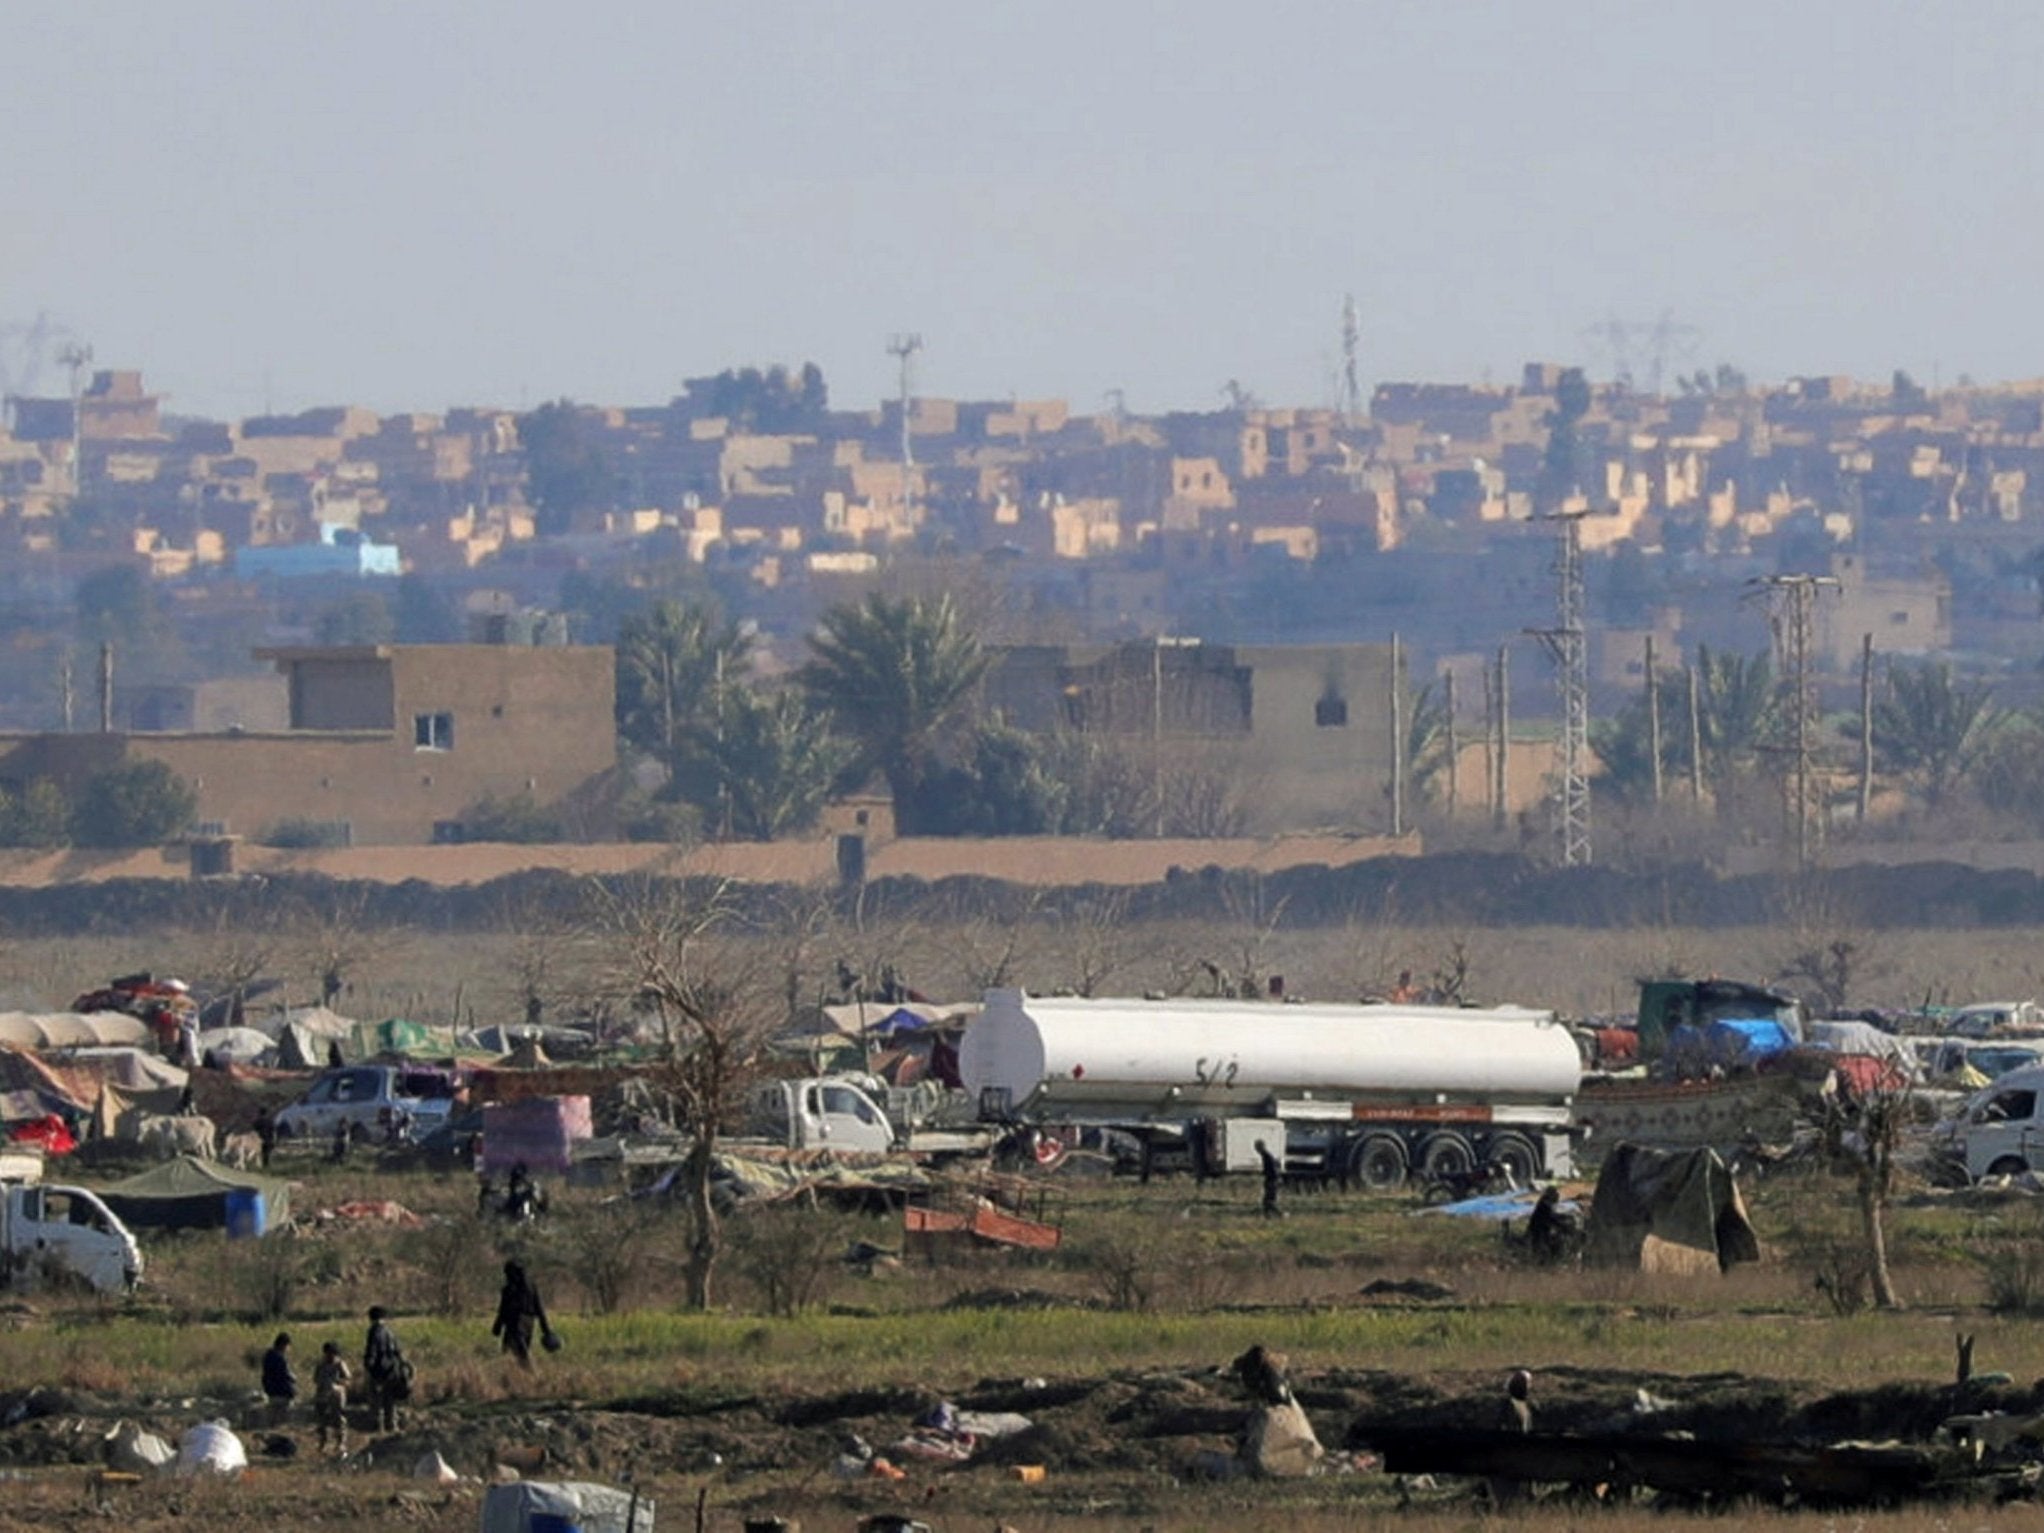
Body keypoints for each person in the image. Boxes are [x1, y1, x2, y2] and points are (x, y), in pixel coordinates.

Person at [491, 1259, 552, 1368]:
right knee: (520, 1355)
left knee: (515, 1355)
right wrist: (546, 1331)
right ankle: (521, 1379)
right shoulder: (532, 1287)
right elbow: (540, 1309)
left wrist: (497, 1327)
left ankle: (532, 1377)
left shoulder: (509, 1289)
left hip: (515, 1326)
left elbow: (503, 1310)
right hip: (529, 1325)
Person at [362, 1306, 408, 1432]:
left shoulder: (374, 1331)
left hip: (378, 1371)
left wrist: (368, 1368)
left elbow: (372, 1352)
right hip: (392, 1371)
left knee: (376, 1401)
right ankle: (393, 1426)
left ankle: (378, 1427)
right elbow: (399, 1352)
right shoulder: (390, 1332)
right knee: (390, 1401)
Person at [313, 1342, 351, 1457]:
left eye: (331, 1354)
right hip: (322, 1395)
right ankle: (323, 1443)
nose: (329, 1356)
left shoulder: (339, 1364)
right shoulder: (321, 1364)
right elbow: (315, 1378)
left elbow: (347, 1379)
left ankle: (341, 1443)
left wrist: (337, 1383)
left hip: (336, 1395)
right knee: (321, 1421)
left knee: (338, 1419)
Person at [260, 1332, 297, 1427]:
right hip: (282, 1392)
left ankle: (273, 1426)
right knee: (283, 1416)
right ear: (283, 1344)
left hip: (270, 1390)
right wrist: (293, 1378)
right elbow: (285, 1374)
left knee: (273, 1416)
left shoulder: (268, 1355)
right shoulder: (280, 1358)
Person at [1256, 1140, 1283, 1219]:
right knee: (1266, 1201)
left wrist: (1273, 1179)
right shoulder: (1266, 1156)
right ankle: (1267, 1217)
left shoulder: (1267, 1156)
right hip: (1270, 1179)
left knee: (1269, 1201)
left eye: (1257, 1147)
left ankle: (1281, 1215)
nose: (1256, 1150)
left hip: (1272, 1180)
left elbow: (1273, 1169)